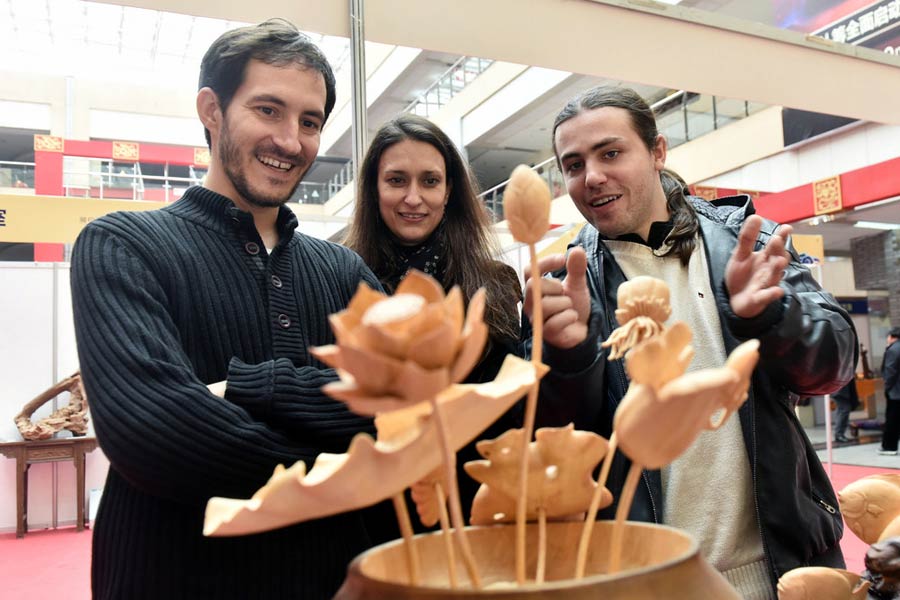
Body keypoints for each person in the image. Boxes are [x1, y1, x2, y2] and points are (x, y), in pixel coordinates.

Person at [70, 20, 382, 599]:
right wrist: (351, 466)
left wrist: (245, 389)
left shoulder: (344, 271)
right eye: (268, 110)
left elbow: (406, 407)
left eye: (309, 122)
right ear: (211, 110)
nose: (290, 141)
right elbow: (153, 432)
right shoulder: (121, 245)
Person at [524, 86, 857, 599]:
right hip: (648, 581)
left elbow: (834, 367)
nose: (591, 177)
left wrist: (772, 317)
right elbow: (556, 443)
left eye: (610, 153)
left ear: (657, 151)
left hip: (781, 572)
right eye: (574, 165)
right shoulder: (565, 280)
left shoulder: (742, 241)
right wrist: (568, 357)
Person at [344, 113, 522, 525]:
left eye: (429, 181)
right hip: (379, 511)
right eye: (396, 180)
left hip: (475, 506)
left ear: (448, 191)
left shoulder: (494, 283)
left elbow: (510, 410)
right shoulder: (342, 281)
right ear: (373, 188)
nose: (413, 198)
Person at [880, 327, 900, 455]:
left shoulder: (893, 349)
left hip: (895, 391)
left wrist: (887, 387)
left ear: (892, 336)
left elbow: (890, 371)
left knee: (892, 419)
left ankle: (889, 447)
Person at [832, 377, 860, 443]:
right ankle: (839, 434)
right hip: (841, 391)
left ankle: (839, 434)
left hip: (841, 390)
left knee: (843, 411)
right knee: (844, 411)